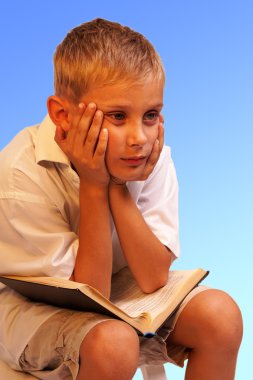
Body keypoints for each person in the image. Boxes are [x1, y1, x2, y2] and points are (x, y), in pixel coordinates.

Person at [0, 18, 242, 380]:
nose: (140, 138)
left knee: (220, 316)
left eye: (150, 116)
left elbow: (152, 278)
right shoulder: (18, 177)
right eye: (117, 116)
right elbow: (90, 293)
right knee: (114, 345)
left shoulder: (146, 159)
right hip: (30, 309)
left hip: (116, 291)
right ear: (62, 116)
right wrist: (94, 186)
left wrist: (116, 186)